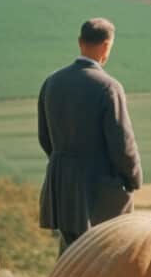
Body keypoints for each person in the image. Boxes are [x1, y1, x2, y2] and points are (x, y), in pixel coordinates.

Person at [38, 17, 143, 253]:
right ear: (107, 46)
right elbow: (122, 144)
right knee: (105, 254)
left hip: (61, 182)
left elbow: (44, 137)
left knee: (70, 255)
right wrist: (133, 178)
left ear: (80, 42)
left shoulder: (52, 82)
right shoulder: (108, 87)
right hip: (98, 189)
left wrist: (64, 166)